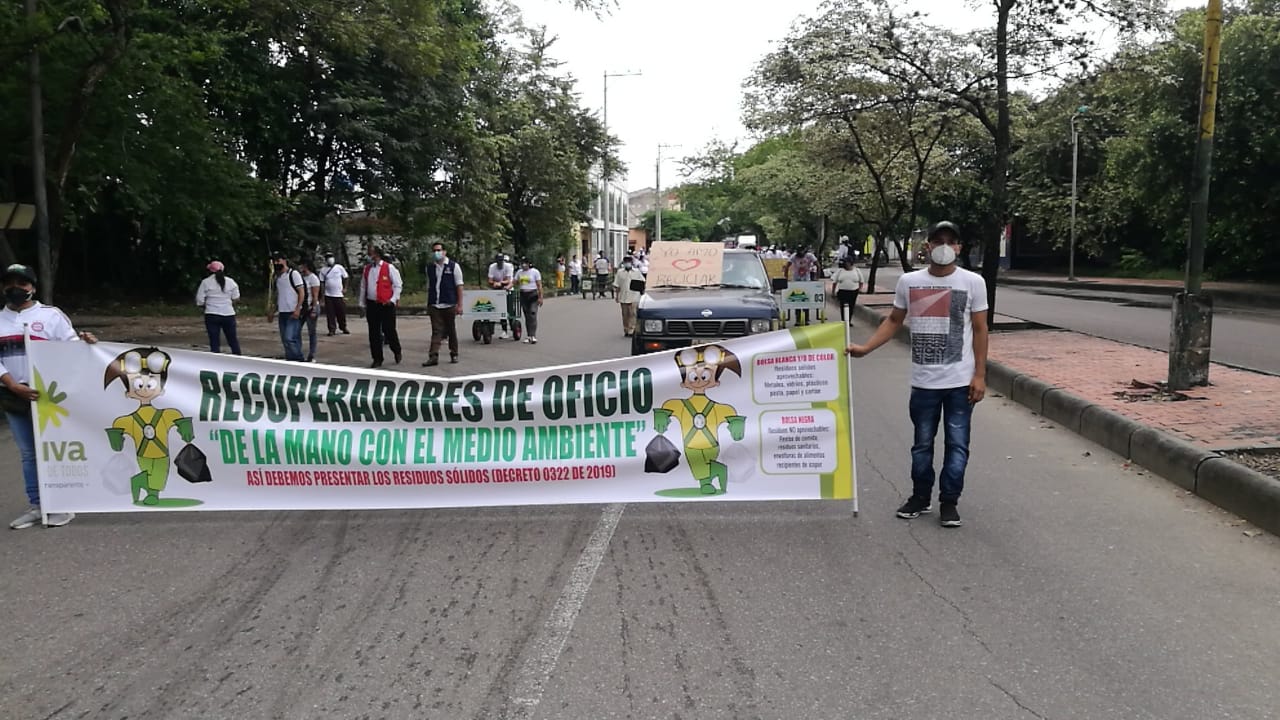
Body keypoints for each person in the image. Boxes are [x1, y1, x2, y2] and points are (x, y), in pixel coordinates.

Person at [845, 221, 989, 528]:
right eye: (939, 240)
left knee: (958, 444)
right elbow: (894, 320)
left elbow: (979, 329)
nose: (945, 246)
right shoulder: (908, 281)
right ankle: (920, 497)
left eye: (951, 240)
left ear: (960, 248)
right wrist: (866, 348)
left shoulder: (973, 282)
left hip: (960, 383)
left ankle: (949, 502)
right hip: (924, 383)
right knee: (922, 444)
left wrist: (980, 375)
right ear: (928, 245)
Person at [1, 263, 98, 528]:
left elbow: (71, 349)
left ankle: (62, 504)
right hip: (14, 394)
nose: (15, 289)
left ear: (32, 287)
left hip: (49, 396)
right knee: (28, 453)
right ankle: (38, 505)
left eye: (22, 284)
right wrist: (11, 384)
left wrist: (88, 343)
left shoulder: (51, 316)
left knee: (55, 450)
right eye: (10, 283)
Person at [358, 246, 403, 368]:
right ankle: (377, 358)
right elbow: (363, 287)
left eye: (371, 254)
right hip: (372, 304)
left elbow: (398, 285)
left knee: (389, 330)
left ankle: (396, 350)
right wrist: (361, 304)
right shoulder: (367, 269)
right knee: (373, 332)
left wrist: (393, 299)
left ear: (377, 254)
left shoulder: (389, 267)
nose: (369, 256)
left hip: (386, 304)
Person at [424, 241, 464, 366]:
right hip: (435, 304)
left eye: (439, 250)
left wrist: (460, 304)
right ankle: (433, 356)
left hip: (449, 303)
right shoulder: (430, 267)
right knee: (436, 331)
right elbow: (429, 285)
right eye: (434, 250)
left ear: (444, 252)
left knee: (451, 330)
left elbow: (459, 286)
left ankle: (454, 353)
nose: (436, 253)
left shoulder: (453, 266)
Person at [195, 260, 241, 354]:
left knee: (214, 341)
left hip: (211, 314)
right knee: (232, 340)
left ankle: (216, 362)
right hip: (228, 314)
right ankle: (238, 359)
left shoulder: (205, 282)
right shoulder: (231, 282)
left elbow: (200, 301)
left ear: (210, 271)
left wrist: (206, 306)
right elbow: (236, 298)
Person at [267, 253, 305, 361]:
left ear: (284, 260)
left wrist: (298, 308)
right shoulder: (277, 277)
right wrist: (272, 311)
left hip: (293, 311)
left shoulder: (293, 274)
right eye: (274, 261)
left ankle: (299, 359)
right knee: (286, 340)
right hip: (282, 312)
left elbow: (301, 292)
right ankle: (291, 360)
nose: (276, 263)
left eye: (278, 260)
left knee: (290, 338)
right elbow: (278, 295)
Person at [613, 255, 645, 337]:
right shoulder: (620, 272)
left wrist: (642, 293)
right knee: (625, 314)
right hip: (623, 296)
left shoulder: (637, 272)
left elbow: (642, 283)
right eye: (626, 262)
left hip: (634, 296)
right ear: (623, 263)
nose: (627, 264)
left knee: (633, 313)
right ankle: (626, 329)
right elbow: (617, 285)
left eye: (629, 262)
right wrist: (617, 296)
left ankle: (632, 329)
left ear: (631, 263)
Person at [298, 257, 322, 362]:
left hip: (311, 307)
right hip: (303, 308)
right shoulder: (301, 277)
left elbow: (315, 295)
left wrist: (313, 309)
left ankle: (312, 354)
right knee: (296, 330)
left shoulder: (313, 278)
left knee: (312, 332)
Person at [320, 252, 350, 336]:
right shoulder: (323, 270)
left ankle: (343, 327)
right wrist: (322, 296)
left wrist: (345, 288)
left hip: (339, 294)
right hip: (328, 295)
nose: (329, 259)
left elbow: (346, 277)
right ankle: (332, 329)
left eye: (331, 257)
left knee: (341, 312)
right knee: (330, 313)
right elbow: (322, 282)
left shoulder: (339, 268)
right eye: (328, 257)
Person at [487, 251, 515, 339]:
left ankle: (512, 325)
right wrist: (494, 283)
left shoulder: (508, 266)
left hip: (507, 289)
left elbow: (509, 280)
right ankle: (502, 330)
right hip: (496, 290)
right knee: (498, 309)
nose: (500, 262)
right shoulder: (492, 267)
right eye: (498, 261)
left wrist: (501, 283)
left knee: (508, 310)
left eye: (501, 260)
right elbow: (490, 280)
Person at [514, 258, 543, 344]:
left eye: (525, 263)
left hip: (533, 295)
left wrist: (540, 297)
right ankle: (528, 335)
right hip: (523, 295)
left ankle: (533, 335)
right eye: (522, 263)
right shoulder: (519, 272)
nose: (523, 265)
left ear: (529, 264)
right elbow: (514, 282)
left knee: (532, 313)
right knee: (527, 316)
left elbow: (539, 285)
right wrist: (507, 287)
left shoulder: (535, 272)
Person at [831, 258, 866, 326]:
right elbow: (834, 282)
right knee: (843, 306)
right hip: (843, 291)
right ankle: (843, 320)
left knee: (851, 306)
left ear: (850, 263)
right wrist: (833, 292)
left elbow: (861, 281)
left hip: (853, 291)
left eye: (847, 262)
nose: (845, 264)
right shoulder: (840, 271)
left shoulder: (856, 270)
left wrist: (860, 289)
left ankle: (848, 320)